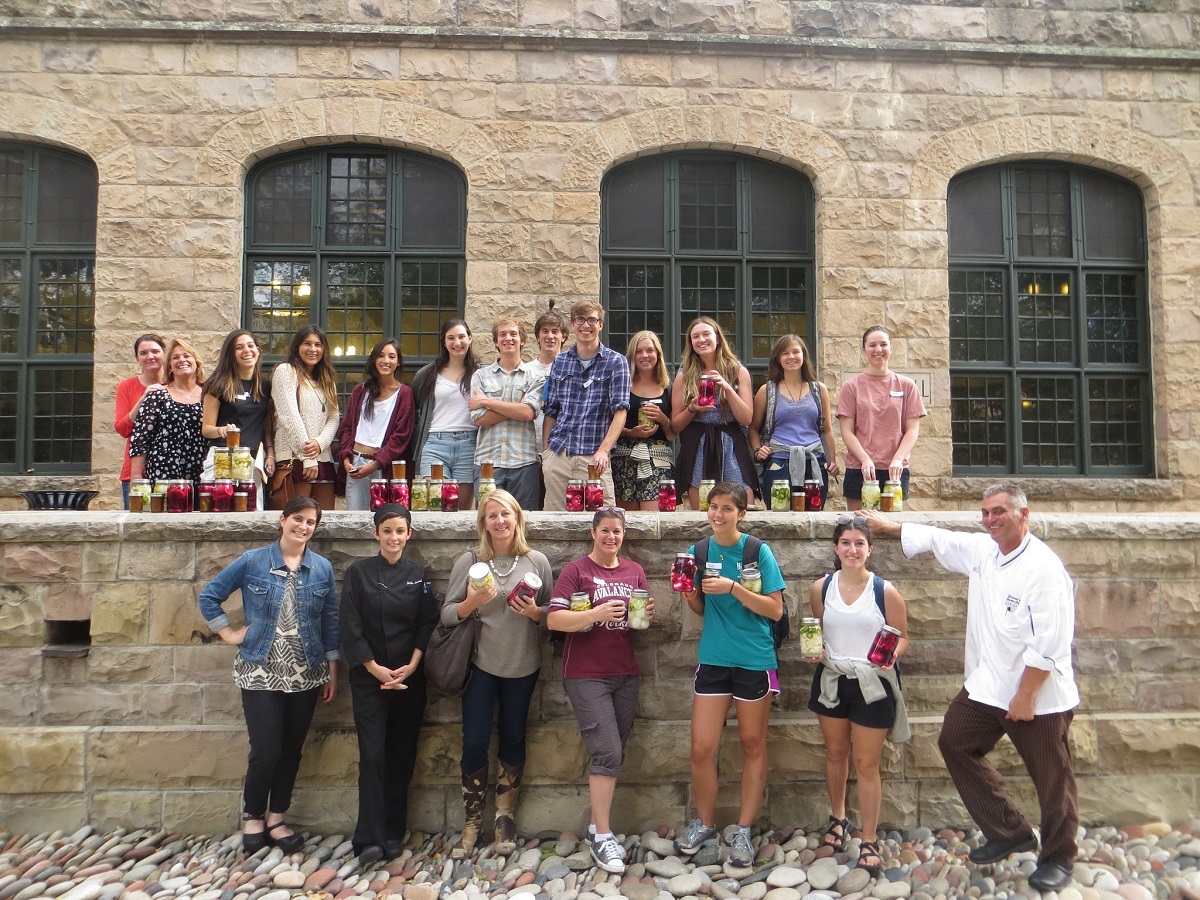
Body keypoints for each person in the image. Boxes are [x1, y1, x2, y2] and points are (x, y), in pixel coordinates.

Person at [862, 484, 1080, 892]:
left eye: (999, 512)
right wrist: (889, 527)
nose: (990, 519)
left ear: (1023, 514)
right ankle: (1009, 831)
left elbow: (1050, 643)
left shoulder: (1044, 570)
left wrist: (1026, 695)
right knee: (955, 742)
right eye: (985, 513)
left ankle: (1059, 858)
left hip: (1038, 694)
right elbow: (940, 539)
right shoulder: (984, 551)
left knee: (1053, 778)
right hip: (988, 683)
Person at [197, 496, 339, 854]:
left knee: (291, 750)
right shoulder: (253, 561)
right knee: (266, 750)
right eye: (297, 519)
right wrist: (228, 633)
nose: (303, 527)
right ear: (282, 519)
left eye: (310, 522)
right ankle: (254, 817)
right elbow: (209, 597)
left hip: (307, 670)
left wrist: (332, 669)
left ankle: (277, 818)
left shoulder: (321, 568)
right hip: (258, 669)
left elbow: (330, 620)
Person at [675, 481, 785, 867]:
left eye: (726, 508)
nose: (718, 514)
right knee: (701, 749)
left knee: (753, 745)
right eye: (713, 507)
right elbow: (701, 608)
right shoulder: (698, 551)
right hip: (714, 658)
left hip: (755, 659)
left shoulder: (757, 550)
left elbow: (775, 610)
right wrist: (688, 592)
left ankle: (741, 829)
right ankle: (704, 823)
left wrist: (733, 587)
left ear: (742, 513)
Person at [441, 490, 554, 857]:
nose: (500, 521)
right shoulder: (470, 561)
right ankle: (472, 820)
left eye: (506, 514)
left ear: (517, 518)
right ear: (483, 523)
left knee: (513, 738)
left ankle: (504, 817)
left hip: (523, 665)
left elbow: (552, 616)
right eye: (492, 516)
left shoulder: (536, 561)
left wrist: (535, 612)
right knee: (474, 740)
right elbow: (444, 617)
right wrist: (471, 602)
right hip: (479, 666)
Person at [547, 507, 655, 874]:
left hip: (625, 671)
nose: (611, 537)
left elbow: (638, 618)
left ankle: (597, 826)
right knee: (607, 751)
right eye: (605, 530)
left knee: (613, 751)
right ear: (593, 533)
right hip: (585, 674)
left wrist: (644, 614)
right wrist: (594, 614)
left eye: (618, 531)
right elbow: (554, 618)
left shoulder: (635, 571)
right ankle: (603, 837)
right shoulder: (577, 571)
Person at [806, 515, 910, 877]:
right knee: (835, 753)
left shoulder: (885, 591)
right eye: (846, 543)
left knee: (866, 764)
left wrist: (893, 654)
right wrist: (814, 651)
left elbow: (903, 635)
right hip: (833, 679)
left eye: (859, 543)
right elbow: (818, 630)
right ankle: (838, 818)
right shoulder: (821, 588)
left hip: (872, 684)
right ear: (836, 548)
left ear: (870, 549)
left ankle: (868, 838)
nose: (852, 550)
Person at [340, 503, 438, 863]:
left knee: (401, 754)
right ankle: (369, 838)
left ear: (409, 534)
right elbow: (349, 626)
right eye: (387, 531)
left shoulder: (419, 574)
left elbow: (427, 623)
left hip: (409, 679)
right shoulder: (358, 573)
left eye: (400, 531)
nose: (394, 537)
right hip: (369, 680)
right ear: (376, 534)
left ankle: (394, 831)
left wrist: (412, 666)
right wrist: (375, 669)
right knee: (373, 756)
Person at [542, 301, 630, 510]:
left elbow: (620, 411)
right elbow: (552, 410)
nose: (586, 325)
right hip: (559, 454)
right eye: (580, 320)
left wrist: (603, 450)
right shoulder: (560, 361)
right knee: (554, 524)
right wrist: (546, 452)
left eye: (592, 320)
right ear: (573, 325)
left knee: (604, 519)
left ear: (600, 325)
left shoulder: (616, 362)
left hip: (594, 458)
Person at [670, 317, 758, 509]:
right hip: (699, 444)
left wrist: (727, 387)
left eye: (706, 334)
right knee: (702, 509)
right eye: (695, 336)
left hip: (731, 444)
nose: (701, 339)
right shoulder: (684, 374)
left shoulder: (737, 371)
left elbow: (746, 419)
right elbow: (675, 425)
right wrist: (692, 409)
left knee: (742, 504)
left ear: (717, 337)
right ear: (691, 343)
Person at [836, 325, 926, 511]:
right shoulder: (851, 387)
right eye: (872, 345)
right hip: (861, 469)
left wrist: (898, 459)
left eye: (883, 344)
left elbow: (912, 429)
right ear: (864, 350)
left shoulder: (907, 386)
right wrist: (865, 459)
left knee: (891, 530)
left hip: (894, 470)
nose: (878, 350)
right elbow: (847, 431)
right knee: (858, 527)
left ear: (891, 349)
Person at [749, 334, 840, 509]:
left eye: (795, 352)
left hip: (814, 463)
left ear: (804, 356)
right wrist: (758, 450)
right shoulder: (767, 391)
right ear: (778, 359)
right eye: (785, 353)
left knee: (813, 514)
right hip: (779, 462)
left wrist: (832, 460)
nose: (791, 357)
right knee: (779, 514)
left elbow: (826, 430)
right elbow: (753, 429)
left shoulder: (819, 390)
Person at [468, 318, 545, 510]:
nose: (508, 338)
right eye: (502, 334)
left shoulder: (535, 376)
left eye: (513, 334)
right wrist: (517, 407)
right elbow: (480, 418)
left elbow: (528, 413)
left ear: (522, 340)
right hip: (488, 462)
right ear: (495, 341)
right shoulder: (480, 376)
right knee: (487, 521)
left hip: (524, 463)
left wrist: (486, 401)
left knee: (526, 522)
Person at [336, 339, 416, 510]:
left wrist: (376, 463)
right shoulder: (361, 390)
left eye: (391, 356)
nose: (386, 361)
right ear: (373, 360)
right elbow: (347, 428)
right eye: (381, 356)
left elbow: (401, 437)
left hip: (383, 467)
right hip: (355, 464)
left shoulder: (404, 394)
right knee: (355, 522)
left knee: (384, 521)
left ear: (398, 362)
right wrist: (345, 458)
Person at [411, 319, 480, 510]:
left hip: (469, 445)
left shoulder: (480, 373)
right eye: (451, 338)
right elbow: (414, 405)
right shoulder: (427, 374)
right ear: (444, 342)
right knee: (435, 505)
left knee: (461, 510)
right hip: (435, 444)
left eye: (461, 337)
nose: (457, 343)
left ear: (470, 338)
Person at [202, 330, 274, 509]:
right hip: (223, 457)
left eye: (251, 346)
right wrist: (221, 430)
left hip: (251, 460)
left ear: (258, 350)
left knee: (251, 512)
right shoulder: (217, 385)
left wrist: (270, 454)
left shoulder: (265, 386)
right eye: (239, 347)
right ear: (230, 354)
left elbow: (267, 425)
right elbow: (206, 428)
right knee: (219, 509)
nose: (247, 351)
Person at [272, 326, 340, 506]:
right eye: (307, 344)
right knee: (297, 519)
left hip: (323, 458)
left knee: (324, 522)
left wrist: (320, 443)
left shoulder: (327, 379)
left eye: (318, 345)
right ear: (297, 347)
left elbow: (334, 417)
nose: (313, 349)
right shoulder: (286, 371)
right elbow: (289, 415)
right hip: (295, 459)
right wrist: (307, 457)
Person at [128, 337, 207, 486]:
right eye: (175, 357)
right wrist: (136, 476)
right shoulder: (157, 395)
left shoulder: (209, 395)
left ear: (196, 362)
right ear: (169, 366)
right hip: (163, 474)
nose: (181, 360)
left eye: (186, 355)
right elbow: (140, 438)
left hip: (201, 473)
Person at [612, 332, 676, 511]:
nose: (644, 356)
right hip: (625, 458)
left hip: (658, 460)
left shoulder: (667, 388)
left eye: (650, 350)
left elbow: (672, 434)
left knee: (654, 519)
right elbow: (608, 425)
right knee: (626, 521)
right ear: (632, 355)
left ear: (658, 354)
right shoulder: (622, 385)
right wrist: (629, 432)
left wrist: (663, 419)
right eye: (639, 351)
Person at [114, 333, 166, 507]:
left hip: (169, 472)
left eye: (155, 351)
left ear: (164, 354)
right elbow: (122, 429)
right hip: (136, 474)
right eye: (143, 353)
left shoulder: (177, 385)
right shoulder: (126, 387)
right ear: (137, 358)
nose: (150, 356)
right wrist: (144, 399)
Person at [527, 304, 569, 508]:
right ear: (537, 336)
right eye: (545, 331)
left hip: (560, 451)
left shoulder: (573, 369)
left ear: (563, 337)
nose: (550, 336)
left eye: (555, 331)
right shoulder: (526, 370)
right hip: (529, 451)